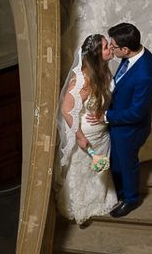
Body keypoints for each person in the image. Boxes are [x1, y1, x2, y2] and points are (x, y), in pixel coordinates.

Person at [87, 22, 152, 218]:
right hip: (119, 121)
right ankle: (119, 193)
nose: (110, 48)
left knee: (126, 164)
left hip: (130, 129)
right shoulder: (136, 54)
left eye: (113, 46)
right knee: (116, 163)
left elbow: (136, 113)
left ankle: (131, 199)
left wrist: (106, 116)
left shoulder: (145, 75)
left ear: (125, 49)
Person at [54, 34, 118, 225]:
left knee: (100, 170)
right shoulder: (82, 81)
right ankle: (79, 205)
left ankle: (100, 199)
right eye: (106, 47)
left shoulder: (105, 71)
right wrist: (80, 137)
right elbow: (66, 110)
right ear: (98, 55)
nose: (110, 49)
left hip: (102, 132)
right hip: (87, 134)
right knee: (82, 171)